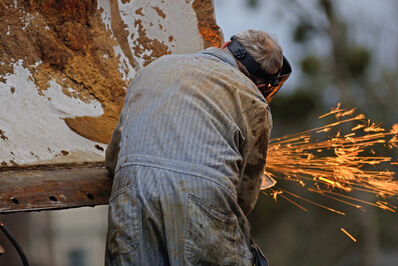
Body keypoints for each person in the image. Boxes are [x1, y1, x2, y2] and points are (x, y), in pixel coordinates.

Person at [104, 29, 291, 266]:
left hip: (130, 195)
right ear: (263, 85)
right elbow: (245, 198)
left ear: (225, 45)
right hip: (201, 202)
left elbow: (112, 161)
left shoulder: (154, 68)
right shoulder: (254, 101)